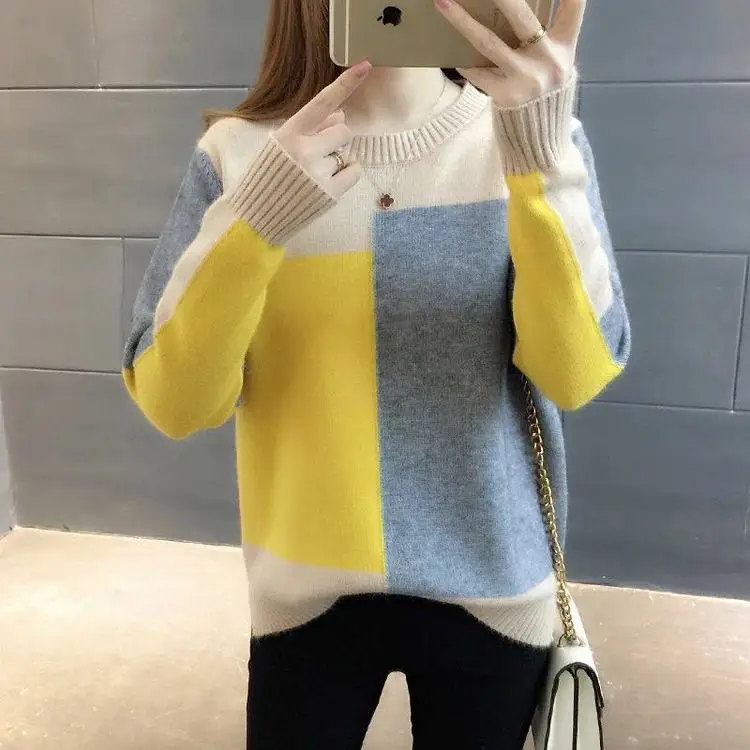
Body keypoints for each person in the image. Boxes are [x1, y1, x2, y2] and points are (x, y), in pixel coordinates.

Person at [123, 0, 630, 747]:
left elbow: (576, 373)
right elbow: (176, 402)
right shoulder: (240, 156)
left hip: (494, 584)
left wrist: (540, 158)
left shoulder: (528, 138)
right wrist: (258, 220)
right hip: (305, 596)